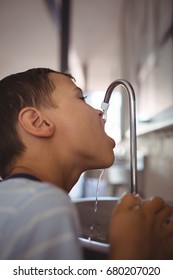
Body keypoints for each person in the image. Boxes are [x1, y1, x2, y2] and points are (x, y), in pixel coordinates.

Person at [0, 68, 172, 260]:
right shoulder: (42, 204)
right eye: (81, 99)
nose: (100, 111)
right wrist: (132, 251)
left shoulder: (19, 201)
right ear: (39, 122)